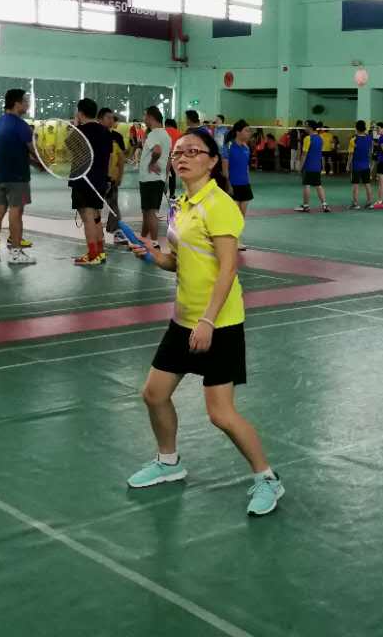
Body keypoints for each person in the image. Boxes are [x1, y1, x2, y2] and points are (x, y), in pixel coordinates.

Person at [127, 129, 284, 516]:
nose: (182, 157)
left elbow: (228, 268)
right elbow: (179, 262)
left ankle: (267, 478)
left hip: (219, 322)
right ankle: (169, 462)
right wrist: (153, 255)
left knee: (220, 414)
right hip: (183, 319)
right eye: (177, 153)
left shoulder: (220, 204)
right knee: (154, 394)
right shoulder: (180, 204)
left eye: (192, 152)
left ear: (212, 161)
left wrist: (209, 321)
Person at [0, 88, 36, 265]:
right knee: (16, 213)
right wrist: (41, 163)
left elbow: (13, 149)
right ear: (17, 103)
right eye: (25, 101)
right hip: (18, 179)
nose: (27, 104)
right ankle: (15, 253)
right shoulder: (21, 125)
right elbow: (33, 150)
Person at [71, 98, 112, 266]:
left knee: (87, 217)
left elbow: (70, 148)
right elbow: (108, 157)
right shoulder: (105, 132)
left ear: (80, 113)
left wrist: (75, 126)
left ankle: (93, 254)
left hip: (83, 181)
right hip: (100, 180)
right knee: (96, 217)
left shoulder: (79, 132)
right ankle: (100, 252)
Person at [140, 106, 171, 247]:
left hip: (150, 178)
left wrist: (152, 163)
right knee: (147, 211)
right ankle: (142, 238)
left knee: (150, 211)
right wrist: (165, 178)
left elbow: (157, 150)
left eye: (145, 116)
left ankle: (154, 242)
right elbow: (168, 159)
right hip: (158, 178)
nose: (143, 119)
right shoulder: (166, 135)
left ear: (151, 117)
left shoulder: (154, 134)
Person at [222, 122, 253, 248]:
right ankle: (230, 239)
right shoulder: (228, 146)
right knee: (233, 215)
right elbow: (225, 168)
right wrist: (228, 184)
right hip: (232, 184)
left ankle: (237, 238)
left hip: (244, 184)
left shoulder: (246, 147)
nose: (249, 133)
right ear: (238, 132)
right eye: (246, 130)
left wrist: (248, 181)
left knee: (241, 216)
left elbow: (246, 167)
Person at [100, 109, 128, 245]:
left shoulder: (117, 137)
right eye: (108, 118)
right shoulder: (96, 135)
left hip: (111, 179)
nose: (111, 120)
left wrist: (120, 176)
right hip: (97, 178)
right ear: (100, 119)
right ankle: (97, 235)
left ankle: (116, 232)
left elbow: (121, 159)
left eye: (112, 118)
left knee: (114, 207)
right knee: (94, 208)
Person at [298, 120, 330, 212]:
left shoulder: (308, 138)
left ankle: (306, 206)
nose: (304, 128)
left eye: (306, 126)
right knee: (318, 185)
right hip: (317, 166)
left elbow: (304, 154)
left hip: (308, 165)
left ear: (310, 127)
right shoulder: (320, 138)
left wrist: (300, 167)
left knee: (306, 185)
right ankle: (324, 205)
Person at [348, 120, 374, 209]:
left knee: (355, 185)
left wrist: (348, 165)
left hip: (356, 166)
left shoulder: (353, 140)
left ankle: (355, 204)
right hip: (366, 165)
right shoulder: (369, 138)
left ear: (356, 128)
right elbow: (370, 151)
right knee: (367, 184)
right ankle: (370, 203)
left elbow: (351, 154)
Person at [165, 118, 182, 199]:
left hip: (164, 156)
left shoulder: (163, 132)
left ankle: (161, 192)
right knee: (172, 176)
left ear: (166, 124)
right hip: (174, 156)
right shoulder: (178, 133)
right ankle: (172, 194)